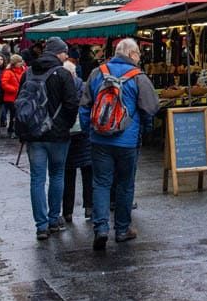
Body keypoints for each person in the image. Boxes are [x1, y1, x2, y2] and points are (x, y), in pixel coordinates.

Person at [78, 37, 158, 253]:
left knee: (101, 183)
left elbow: (84, 106)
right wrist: (144, 129)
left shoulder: (97, 72)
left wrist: (89, 130)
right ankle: (122, 229)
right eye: (139, 54)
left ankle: (101, 228)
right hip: (127, 141)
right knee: (125, 184)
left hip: (99, 139)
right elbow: (151, 107)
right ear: (131, 54)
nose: (139, 58)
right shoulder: (138, 77)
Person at [17, 38, 80, 241]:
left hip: (34, 134)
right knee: (57, 175)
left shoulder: (28, 72)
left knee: (37, 179)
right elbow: (71, 104)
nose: (65, 56)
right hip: (58, 134)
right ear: (58, 53)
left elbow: (20, 103)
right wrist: (66, 125)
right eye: (64, 53)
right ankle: (54, 219)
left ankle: (41, 226)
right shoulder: (62, 74)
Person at [61, 56, 95, 225]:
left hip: (67, 136)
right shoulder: (84, 86)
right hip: (85, 134)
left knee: (68, 174)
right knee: (88, 172)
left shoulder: (60, 88)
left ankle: (67, 211)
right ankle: (90, 207)